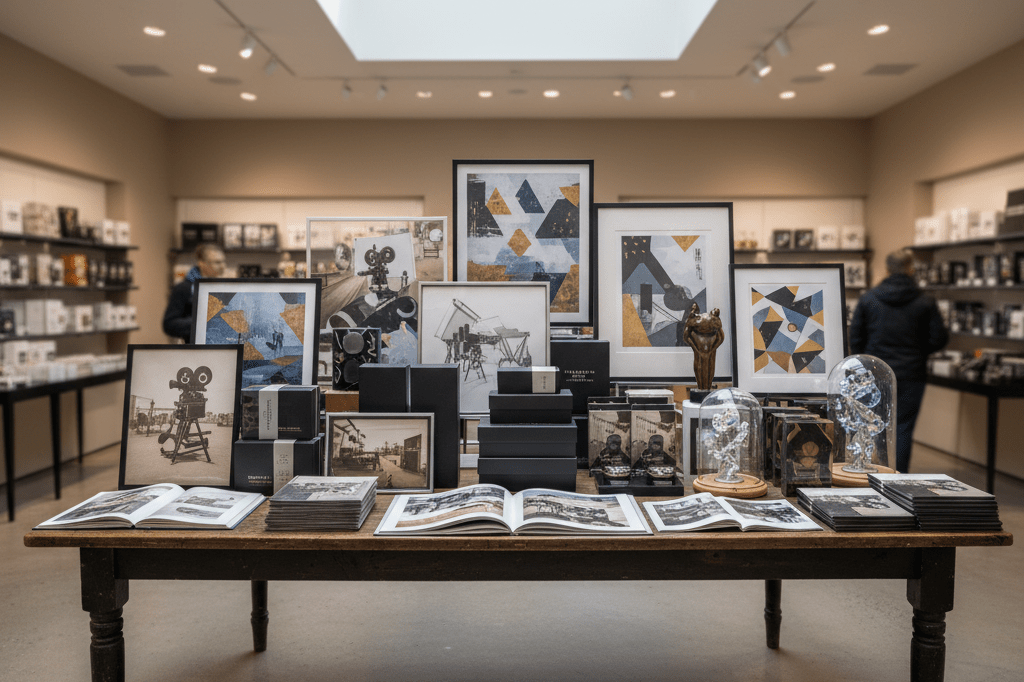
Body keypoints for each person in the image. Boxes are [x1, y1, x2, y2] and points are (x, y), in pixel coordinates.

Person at [849, 248, 949, 473]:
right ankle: (898, 479)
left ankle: (870, 474)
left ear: (886, 269)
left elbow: (855, 338)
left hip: (874, 373)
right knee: (903, 427)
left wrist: (868, 361)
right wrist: (917, 350)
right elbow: (939, 338)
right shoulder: (925, 301)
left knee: (874, 424)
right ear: (911, 268)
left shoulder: (869, 299)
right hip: (911, 373)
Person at [162, 243, 226, 341]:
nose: (222, 266)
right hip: (195, 350)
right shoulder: (184, 288)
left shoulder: (225, 288)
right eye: (217, 262)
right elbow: (169, 325)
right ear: (202, 263)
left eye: (223, 262)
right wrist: (202, 322)